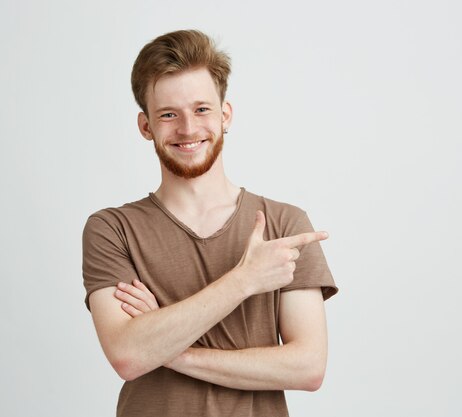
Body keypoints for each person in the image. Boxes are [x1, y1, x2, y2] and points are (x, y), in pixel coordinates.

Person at [82, 29, 338, 417]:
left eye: (201, 109)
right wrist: (245, 280)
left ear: (225, 114)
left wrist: (169, 350)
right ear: (146, 126)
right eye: (169, 114)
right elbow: (128, 357)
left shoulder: (285, 223)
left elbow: (308, 367)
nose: (187, 129)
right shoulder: (112, 230)